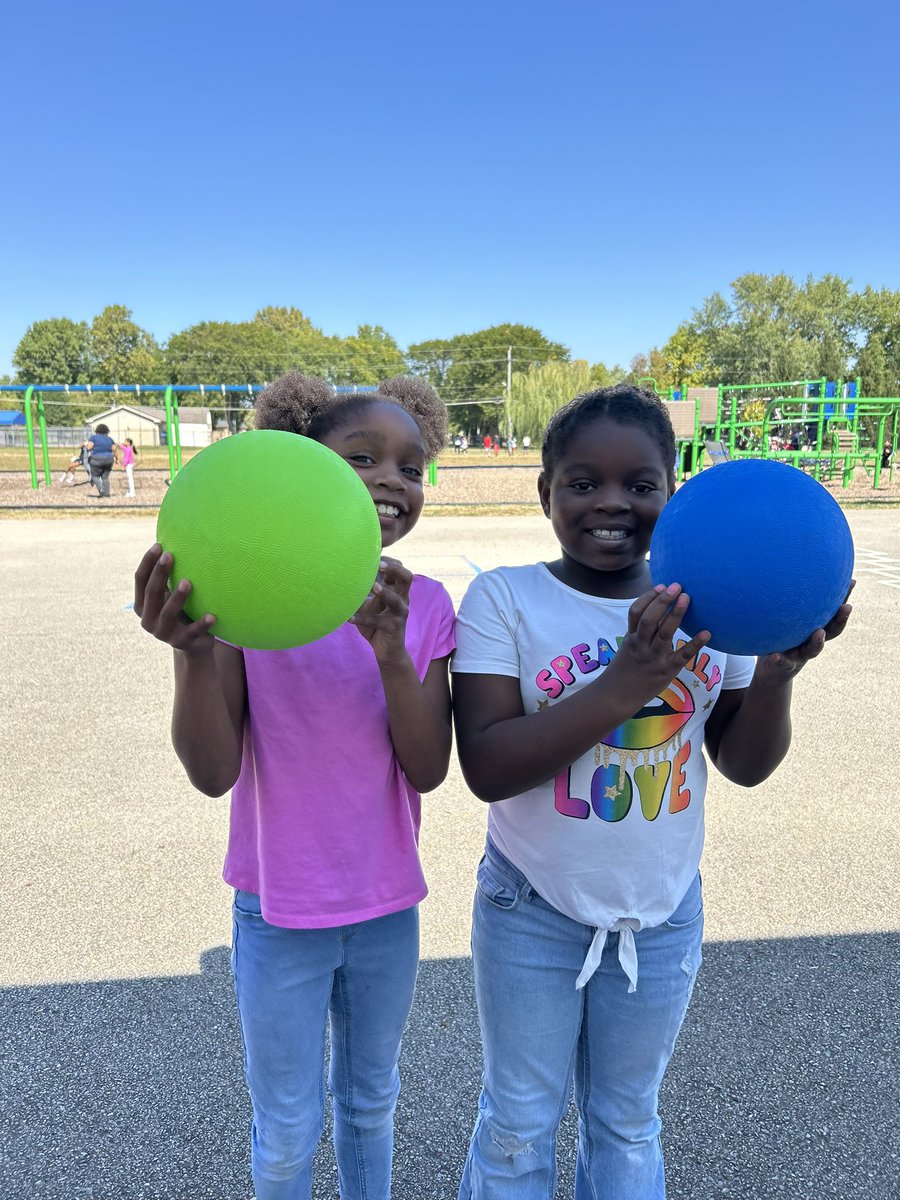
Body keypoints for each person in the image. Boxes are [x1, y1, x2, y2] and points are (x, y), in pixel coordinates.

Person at [451, 383, 852, 1200]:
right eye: (583, 481)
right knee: (521, 1119)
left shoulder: (717, 610)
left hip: (661, 913)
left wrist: (775, 674)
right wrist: (625, 679)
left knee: (628, 1121)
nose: (612, 503)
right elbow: (488, 767)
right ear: (546, 492)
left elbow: (744, 763)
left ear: (674, 496)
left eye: (641, 485)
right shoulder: (504, 600)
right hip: (532, 908)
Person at [133, 372, 455, 1200]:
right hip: (277, 909)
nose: (392, 479)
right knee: (286, 1123)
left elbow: (428, 768)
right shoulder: (249, 605)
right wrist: (194, 652)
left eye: (411, 467)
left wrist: (389, 651)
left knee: (371, 1102)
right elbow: (212, 774)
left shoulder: (422, 606)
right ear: (301, 473)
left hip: (387, 907)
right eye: (360, 459)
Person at [85, 423, 118, 498]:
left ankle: (101, 490)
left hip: (97, 458)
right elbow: (114, 449)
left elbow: (89, 447)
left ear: (97, 430)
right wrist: (117, 459)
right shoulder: (110, 439)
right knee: (105, 477)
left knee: (95, 476)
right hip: (109, 459)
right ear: (107, 431)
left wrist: (86, 446)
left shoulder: (93, 438)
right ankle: (107, 493)